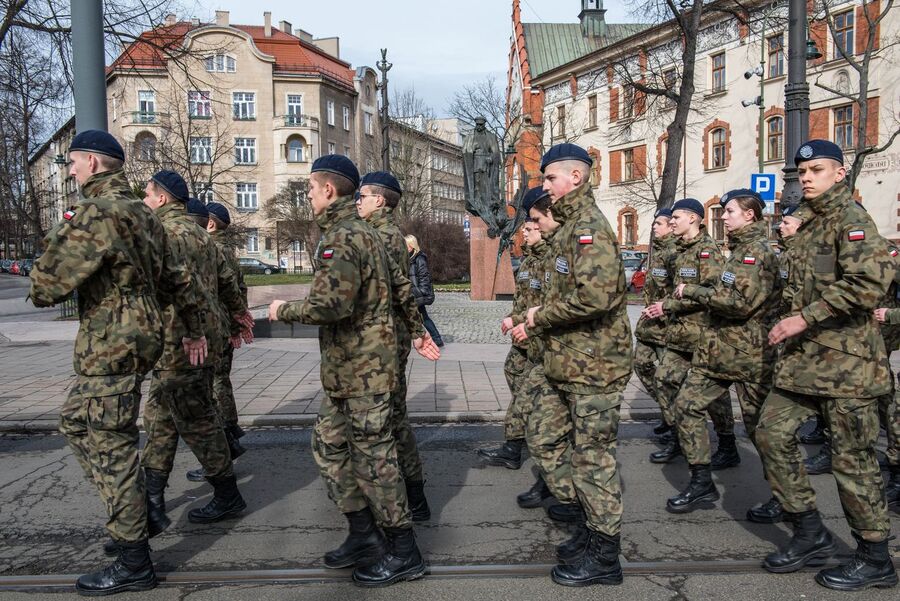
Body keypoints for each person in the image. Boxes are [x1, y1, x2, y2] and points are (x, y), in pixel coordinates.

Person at [29, 131, 206, 595]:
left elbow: (46, 288)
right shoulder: (145, 216)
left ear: (91, 162)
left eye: (72, 163)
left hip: (111, 342)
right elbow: (178, 279)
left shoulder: (96, 213)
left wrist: (51, 249)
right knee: (74, 422)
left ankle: (133, 558)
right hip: (142, 335)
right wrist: (192, 328)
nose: (70, 171)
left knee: (112, 447)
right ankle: (137, 510)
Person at [268, 155, 440, 587]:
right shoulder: (361, 233)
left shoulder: (343, 237)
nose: (307, 195)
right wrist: (418, 332)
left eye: (309, 187)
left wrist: (280, 309)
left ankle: (404, 551)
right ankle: (363, 533)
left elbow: (331, 305)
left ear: (328, 190)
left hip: (364, 371)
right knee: (328, 445)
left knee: (375, 459)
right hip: (351, 370)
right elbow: (403, 289)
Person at [755, 139, 897, 591]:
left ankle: (875, 556)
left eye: (817, 169)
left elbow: (870, 284)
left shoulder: (851, 220)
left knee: (852, 460)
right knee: (770, 434)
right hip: (802, 364)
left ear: (839, 173)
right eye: (801, 172)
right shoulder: (809, 224)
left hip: (846, 365)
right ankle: (809, 532)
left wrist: (805, 317)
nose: (807, 178)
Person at [518, 144, 632, 587]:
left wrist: (540, 316)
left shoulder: (588, 227)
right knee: (544, 437)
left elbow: (597, 296)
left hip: (595, 364)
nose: (544, 187)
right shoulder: (565, 229)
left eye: (549, 179)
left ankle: (605, 556)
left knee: (593, 459)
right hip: (565, 360)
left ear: (576, 178)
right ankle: (588, 525)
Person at [139, 172, 252, 535]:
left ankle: (227, 493)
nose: (144, 197)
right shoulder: (202, 236)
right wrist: (238, 317)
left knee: (196, 419)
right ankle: (151, 500)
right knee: (160, 416)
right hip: (204, 337)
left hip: (181, 341)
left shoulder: (161, 235)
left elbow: (162, 289)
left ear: (162, 198)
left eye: (147, 192)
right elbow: (228, 283)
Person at [665, 189, 781, 518]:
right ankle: (701, 481)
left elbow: (740, 304)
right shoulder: (737, 250)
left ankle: (784, 496)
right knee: (686, 406)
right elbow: (724, 291)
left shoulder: (756, 253)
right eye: (724, 212)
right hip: (719, 351)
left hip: (750, 356)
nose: (724, 216)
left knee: (763, 431)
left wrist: (694, 291)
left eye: (729, 211)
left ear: (750, 216)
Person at [356, 171, 433, 521]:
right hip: (393, 337)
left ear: (380, 201)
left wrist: (417, 331)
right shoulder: (389, 234)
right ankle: (415, 499)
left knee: (385, 423)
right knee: (396, 418)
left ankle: (399, 506)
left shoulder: (379, 237)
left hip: (381, 343)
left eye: (363, 196)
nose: (358, 201)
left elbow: (399, 289)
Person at [642, 200, 736, 468]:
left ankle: (727, 444)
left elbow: (712, 295)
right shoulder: (680, 251)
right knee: (664, 379)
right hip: (681, 334)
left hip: (704, 335)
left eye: (677, 217)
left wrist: (668, 306)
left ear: (694, 218)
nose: (672, 221)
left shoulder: (707, 252)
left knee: (716, 396)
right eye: (670, 218)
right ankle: (679, 437)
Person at [478, 190, 548, 472]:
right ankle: (519, 441)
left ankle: (517, 448)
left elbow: (549, 302)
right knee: (514, 376)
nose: (525, 234)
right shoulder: (530, 259)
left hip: (538, 335)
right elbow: (526, 299)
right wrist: (513, 316)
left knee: (527, 396)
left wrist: (522, 321)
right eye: (524, 229)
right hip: (523, 336)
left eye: (531, 228)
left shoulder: (548, 259)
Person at [185, 200, 254, 483]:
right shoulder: (228, 250)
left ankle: (223, 449)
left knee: (214, 389)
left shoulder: (212, 249)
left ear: (210, 224)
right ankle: (229, 439)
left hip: (214, 328)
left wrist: (234, 325)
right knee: (220, 383)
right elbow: (239, 290)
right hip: (224, 326)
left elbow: (223, 291)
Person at [632, 208, 677, 438]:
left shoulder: (674, 252)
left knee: (667, 378)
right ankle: (668, 413)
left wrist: (664, 308)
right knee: (641, 364)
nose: (654, 227)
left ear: (671, 226)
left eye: (659, 224)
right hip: (650, 326)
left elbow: (680, 292)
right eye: (654, 224)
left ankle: (675, 422)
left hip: (667, 327)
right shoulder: (658, 251)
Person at [406, 234, 444, 347]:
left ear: (411, 246)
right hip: (411, 292)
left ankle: (437, 339)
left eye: (405, 245)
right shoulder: (408, 258)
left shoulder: (419, 258)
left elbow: (424, 277)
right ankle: (434, 338)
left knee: (423, 317)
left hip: (416, 293)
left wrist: (419, 292)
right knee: (421, 317)